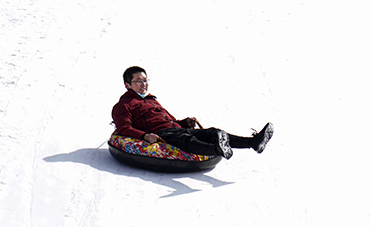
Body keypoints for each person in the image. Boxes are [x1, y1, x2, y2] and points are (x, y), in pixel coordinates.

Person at [111, 66, 273, 160]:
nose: (143, 84)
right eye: (138, 81)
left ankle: (253, 143)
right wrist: (145, 136)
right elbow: (124, 128)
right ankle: (218, 149)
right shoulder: (124, 105)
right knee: (185, 140)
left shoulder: (152, 100)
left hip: (176, 129)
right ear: (127, 85)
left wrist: (184, 122)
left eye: (145, 80)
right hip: (162, 134)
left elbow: (170, 121)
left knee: (212, 132)